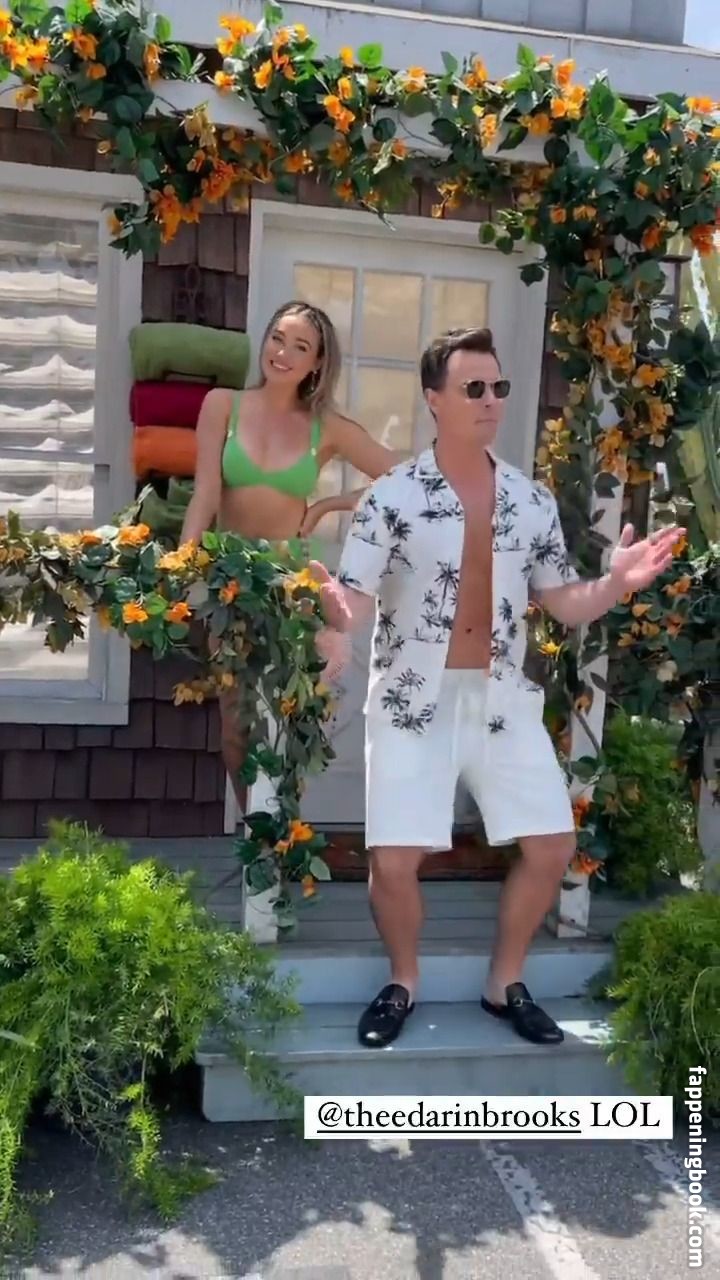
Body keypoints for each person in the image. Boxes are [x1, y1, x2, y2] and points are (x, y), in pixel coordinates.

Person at [322, 326, 682, 1050]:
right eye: (473, 388)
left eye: (499, 388)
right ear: (434, 399)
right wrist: (335, 621)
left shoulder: (529, 499)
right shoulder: (391, 497)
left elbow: (564, 602)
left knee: (551, 845)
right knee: (394, 860)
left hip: (501, 698)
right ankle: (403, 981)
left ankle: (504, 983)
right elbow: (354, 596)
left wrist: (614, 583)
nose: (491, 400)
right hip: (411, 699)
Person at [180, 300, 401, 805]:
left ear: (317, 362)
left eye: (300, 346)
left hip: (290, 589)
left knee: (286, 721)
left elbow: (405, 477)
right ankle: (259, 833)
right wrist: (181, 564)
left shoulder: (327, 427)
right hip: (230, 584)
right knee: (236, 729)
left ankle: (282, 833)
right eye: (278, 338)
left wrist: (330, 504)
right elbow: (205, 494)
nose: (282, 353)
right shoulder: (222, 405)